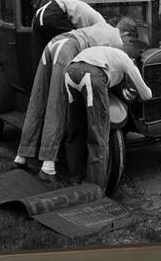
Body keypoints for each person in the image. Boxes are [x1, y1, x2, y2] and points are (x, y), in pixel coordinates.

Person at [14, 19, 135, 182]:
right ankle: (47, 168)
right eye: (130, 40)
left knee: (38, 100)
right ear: (126, 34)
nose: (127, 44)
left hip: (54, 43)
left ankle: (21, 157)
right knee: (57, 104)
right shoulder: (117, 40)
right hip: (67, 49)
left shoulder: (100, 25)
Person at [64, 45, 152, 190]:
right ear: (134, 59)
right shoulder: (127, 61)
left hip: (70, 71)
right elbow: (146, 95)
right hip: (92, 75)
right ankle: (94, 188)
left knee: (75, 129)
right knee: (98, 136)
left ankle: (74, 179)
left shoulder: (108, 52)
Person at [31, 0, 105, 73]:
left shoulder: (96, 22)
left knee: (41, 58)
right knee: (70, 47)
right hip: (53, 12)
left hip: (41, 14)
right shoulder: (101, 27)